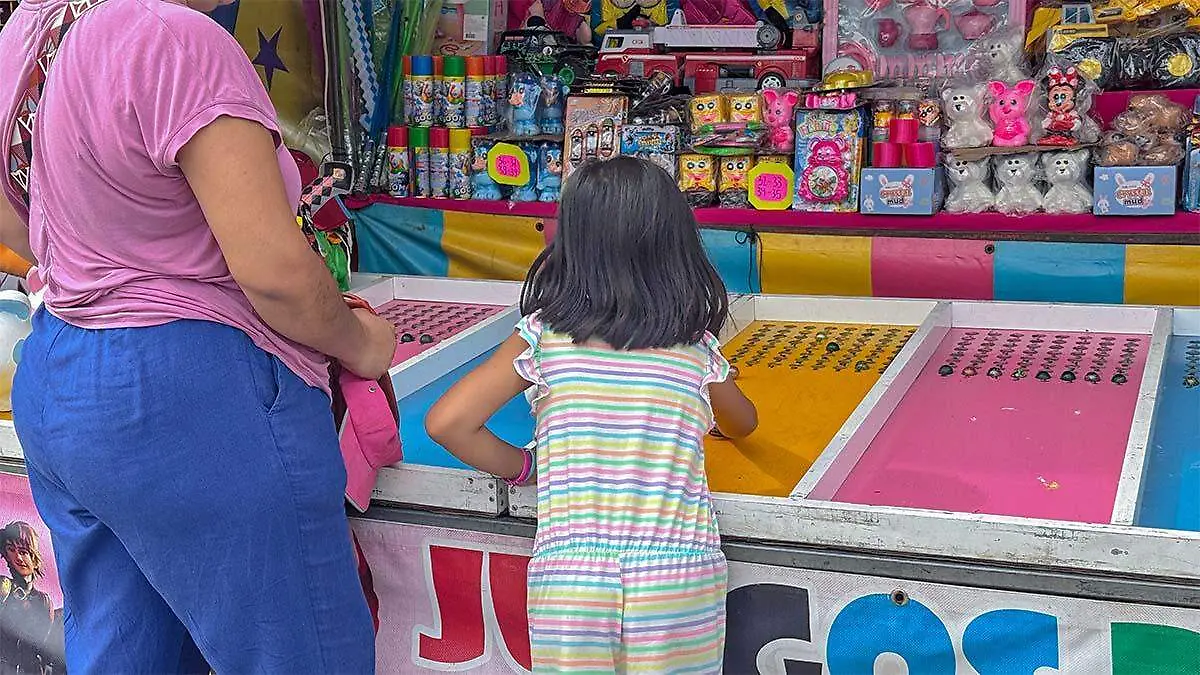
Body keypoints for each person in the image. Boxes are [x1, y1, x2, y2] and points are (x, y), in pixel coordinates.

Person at [0, 0, 396, 671]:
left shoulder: (32, 29)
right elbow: (273, 271)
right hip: (194, 396)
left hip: (62, 370)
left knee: (125, 652)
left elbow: (17, 227)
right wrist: (359, 342)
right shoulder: (176, 40)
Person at [427, 156, 758, 673]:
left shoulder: (542, 338)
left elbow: (447, 423)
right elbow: (745, 423)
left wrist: (525, 468)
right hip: (678, 577)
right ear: (675, 245)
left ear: (573, 243)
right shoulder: (696, 349)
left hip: (571, 583)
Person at [0, 521, 57, 674]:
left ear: (33, 556)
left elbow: (43, 646)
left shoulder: (43, 600)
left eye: (23, 551)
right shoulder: (4, 587)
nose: (18, 557)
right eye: (11, 550)